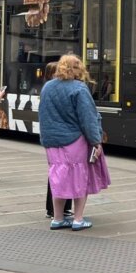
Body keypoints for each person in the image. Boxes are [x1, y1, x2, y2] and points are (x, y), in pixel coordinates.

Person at [39, 54, 110, 231]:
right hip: (73, 140)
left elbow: (43, 114)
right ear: (78, 69)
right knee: (80, 177)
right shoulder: (79, 88)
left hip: (51, 141)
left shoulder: (47, 87)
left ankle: (57, 218)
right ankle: (78, 219)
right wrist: (96, 141)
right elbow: (88, 119)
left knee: (58, 177)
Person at [41, 62, 73, 221]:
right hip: (60, 137)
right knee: (60, 173)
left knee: (60, 172)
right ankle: (55, 209)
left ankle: (61, 208)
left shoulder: (48, 89)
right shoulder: (51, 89)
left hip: (53, 137)